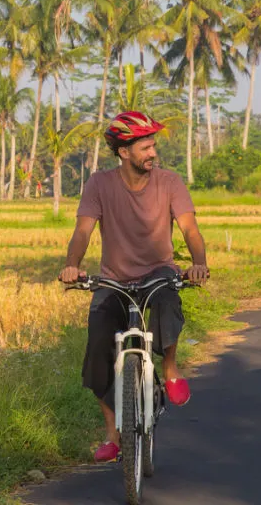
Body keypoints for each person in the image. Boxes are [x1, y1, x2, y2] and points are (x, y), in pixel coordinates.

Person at [59, 111, 209, 462]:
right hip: (114, 278)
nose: (153, 153)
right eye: (146, 147)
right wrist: (72, 266)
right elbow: (83, 231)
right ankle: (112, 434)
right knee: (98, 344)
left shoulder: (170, 182)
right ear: (124, 152)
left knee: (169, 299)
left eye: (153, 145)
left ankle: (170, 367)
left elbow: (189, 229)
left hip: (158, 271)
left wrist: (199, 264)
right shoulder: (99, 184)